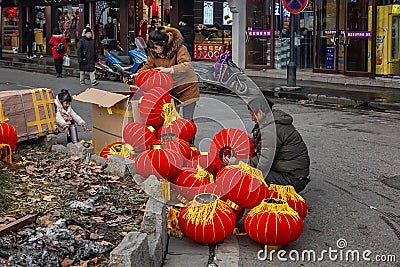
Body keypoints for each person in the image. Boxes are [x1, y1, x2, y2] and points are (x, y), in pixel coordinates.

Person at [224, 97, 310, 193]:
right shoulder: (272, 121)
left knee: (249, 176)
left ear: (260, 112)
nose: (252, 119)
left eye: (252, 115)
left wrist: (236, 162)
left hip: (293, 179)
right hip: (293, 174)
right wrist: (240, 144)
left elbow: (262, 163)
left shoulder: (271, 129)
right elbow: (261, 142)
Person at [133, 28, 199, 122]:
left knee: (187, 119)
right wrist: (138, 74)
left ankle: (188, 136)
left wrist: (170, 70)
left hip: (187, 88)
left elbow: (187, 66)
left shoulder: (180, 49)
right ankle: (176, 136)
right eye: (152, 49)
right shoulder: (154, 54)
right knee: (172, 119)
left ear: (163, 43)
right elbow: (148, 66)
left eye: (156, 48)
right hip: (171, 90)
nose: (154, 51)